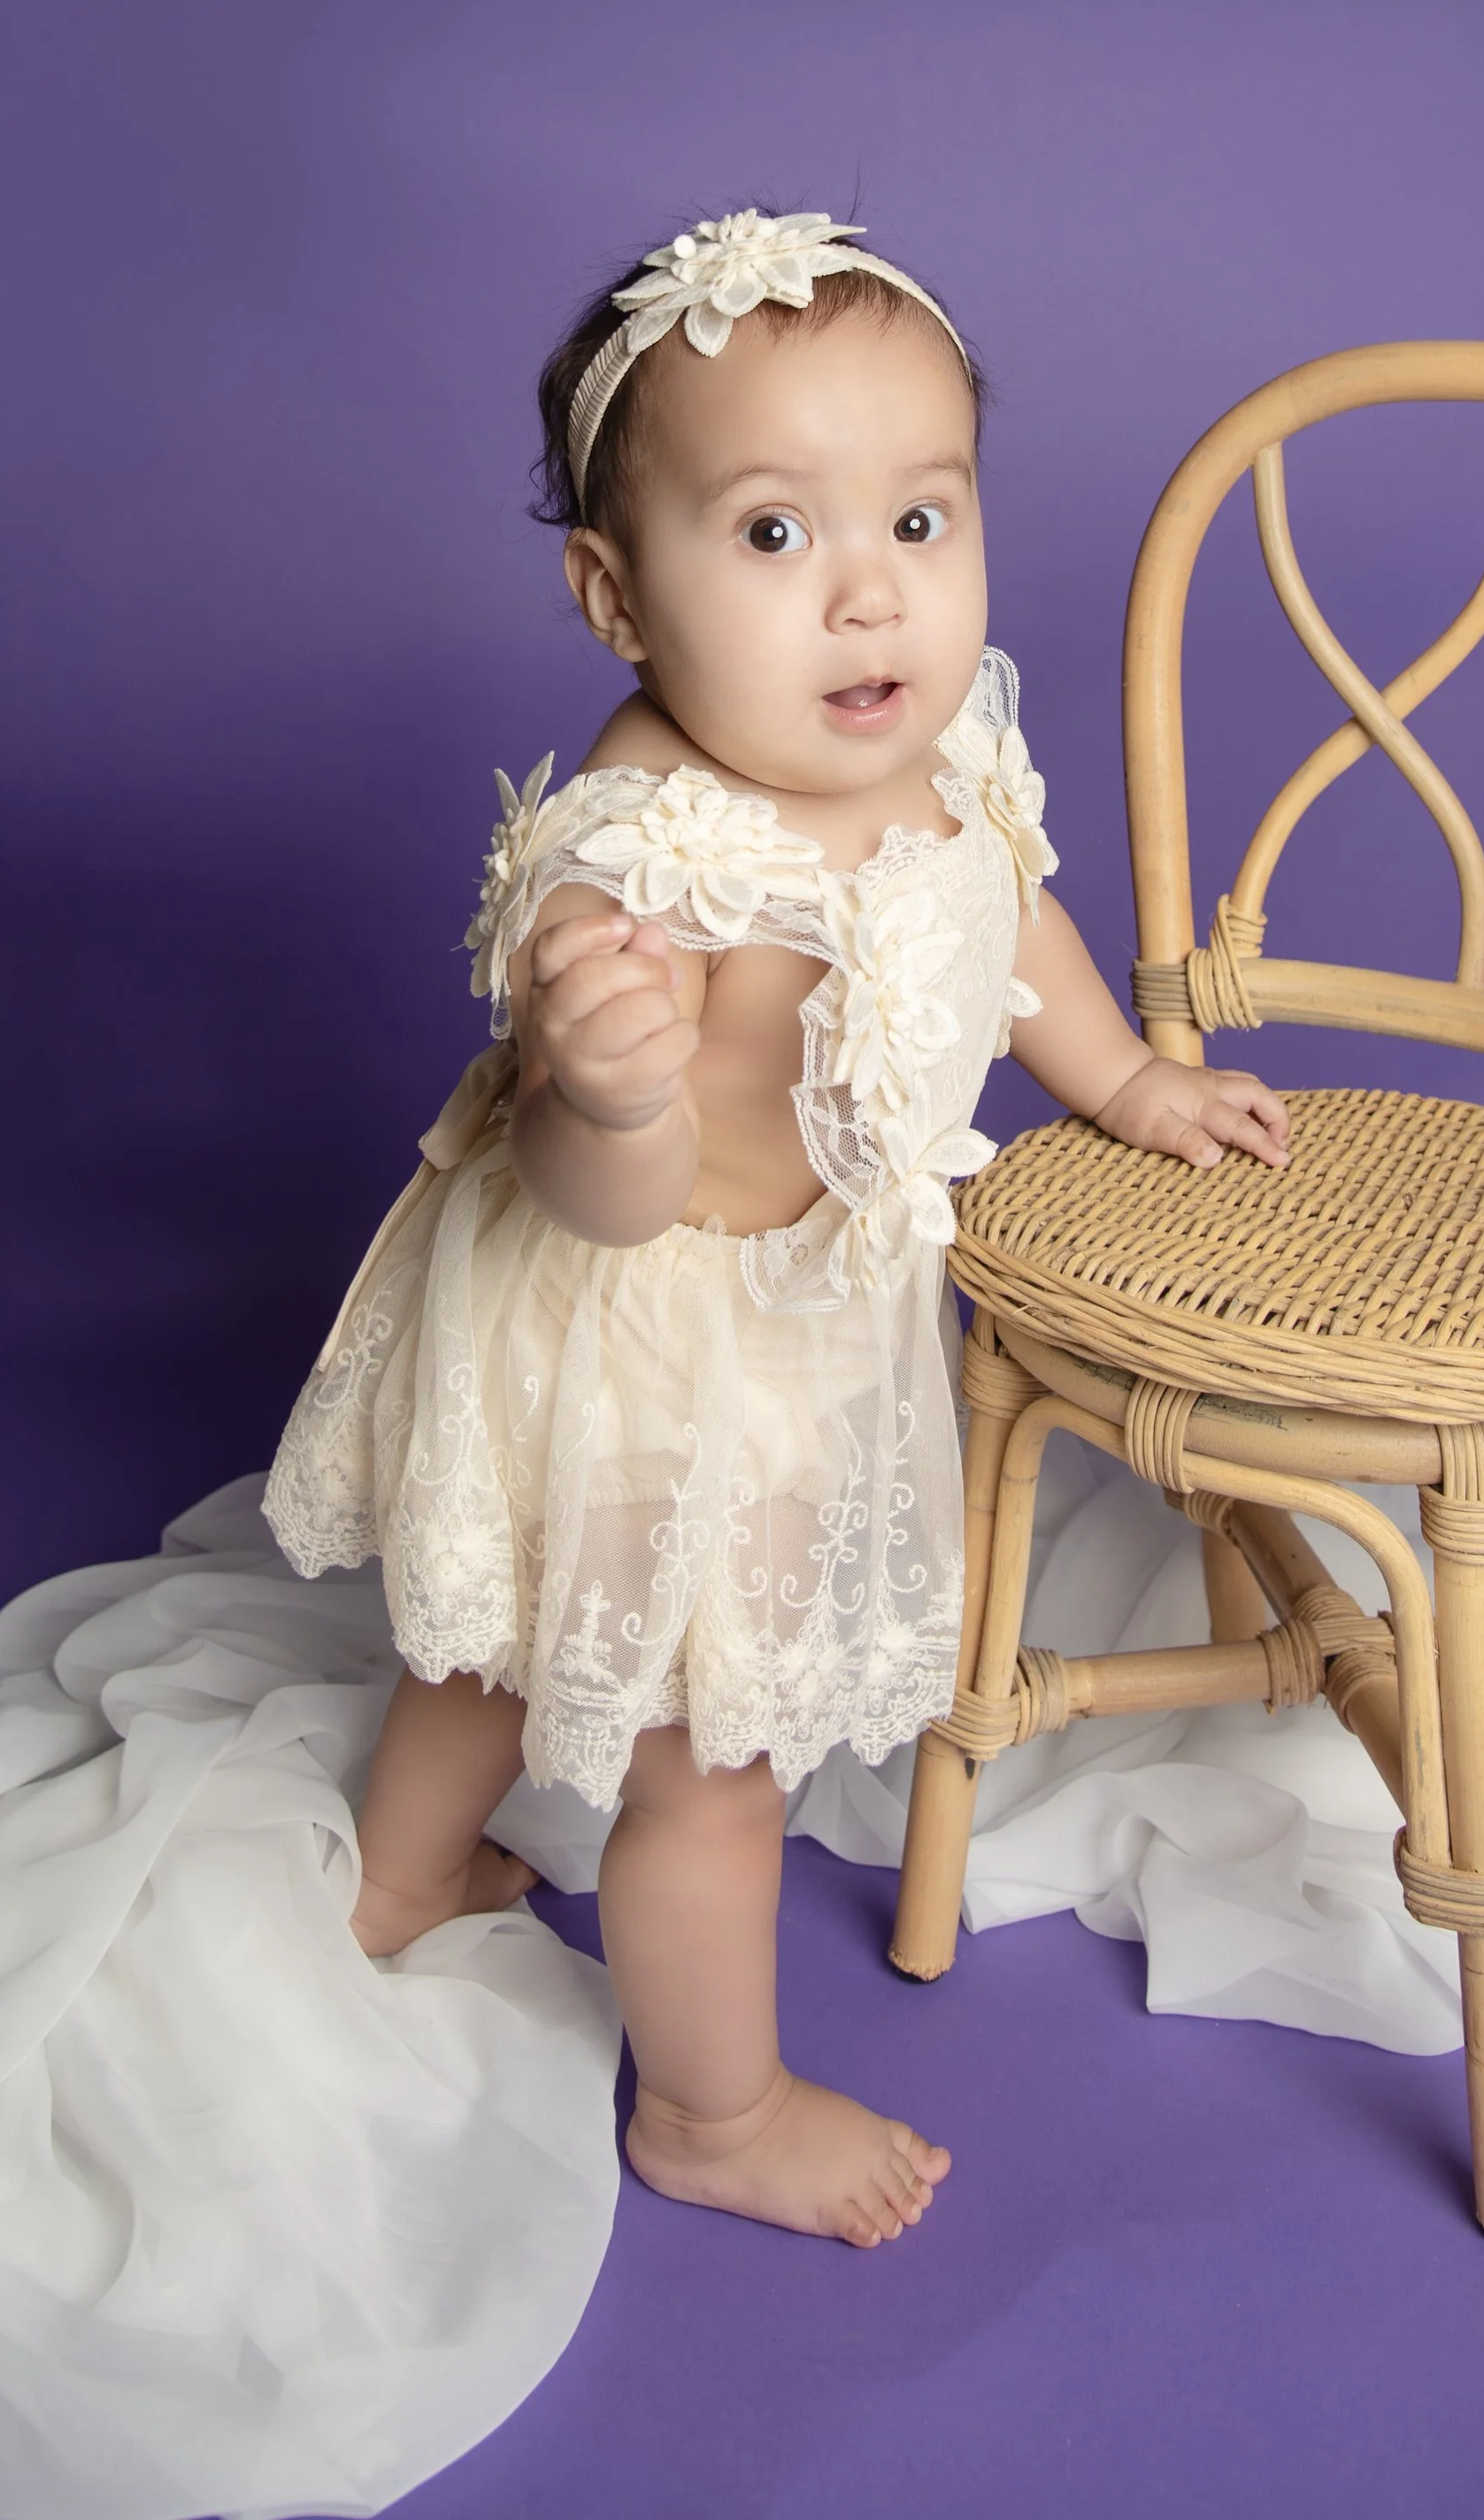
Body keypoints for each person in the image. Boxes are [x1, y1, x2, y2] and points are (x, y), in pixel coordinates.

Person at [265, 207, 1289, 2251]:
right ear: (611, 593)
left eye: (919, 520)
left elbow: (1013, 927)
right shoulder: (642, 856)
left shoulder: (933, 745)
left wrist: (1124, 1079)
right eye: (766, 536)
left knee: (501, 1626)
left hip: (785, 1317)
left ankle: (394, 1879)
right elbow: (595, 1194)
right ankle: (711, 2108)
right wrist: (615, 1087)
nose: (861, 597)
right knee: (709, 1760)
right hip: (646, 1326)